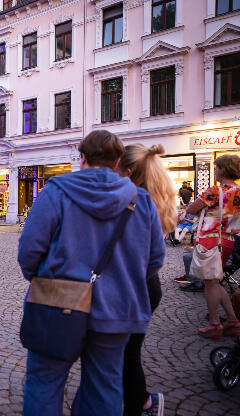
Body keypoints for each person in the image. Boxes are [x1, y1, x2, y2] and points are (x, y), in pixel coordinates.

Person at [18, 130, 165, 415]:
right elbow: (155, 259)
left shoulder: (56, 191)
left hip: (57, 305)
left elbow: (29, 251)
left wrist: (47, 280)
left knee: (45, 384)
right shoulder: (141, 200)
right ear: (118, 160)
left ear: (82, 157)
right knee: (104, 387)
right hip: (117, 309)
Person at [117, 143, 178, 416]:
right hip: (148, 283)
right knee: (128, 349)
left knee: (126, 353)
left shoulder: (135, 202)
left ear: (128, 171)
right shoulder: (158, 198)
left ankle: (141, 403)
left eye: (116, 168)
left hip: (135, 283)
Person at [186, 154, 240, 339]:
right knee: (215, 281)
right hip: (228, 241)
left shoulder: (215, 191)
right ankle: (233, 321)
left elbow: (191, 208)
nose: (215, 170)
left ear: (223, 170)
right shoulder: (239, 191)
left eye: (216, 167)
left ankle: (215, 323)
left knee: (210, 283)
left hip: (211, 239)